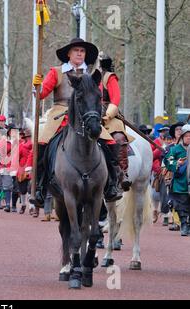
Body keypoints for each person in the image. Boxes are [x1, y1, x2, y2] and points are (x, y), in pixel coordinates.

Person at [32, 38, 120, 206]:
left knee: (109, 142)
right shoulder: (56, 72)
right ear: (69, 54)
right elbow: (41, 95)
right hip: (60, 114)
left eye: (83, 51)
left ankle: (111, 185)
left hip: (85, 115)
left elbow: (97, 95)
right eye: (76, 50)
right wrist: (37, 87)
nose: (80, 53)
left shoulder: (92, 74)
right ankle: (40, 186)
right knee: (42, 142)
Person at [99, 52, 135, 192]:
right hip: (87, 112)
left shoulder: (109, 77)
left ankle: (122, 174)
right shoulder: (83, 76)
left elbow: (115, 99)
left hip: (108, 113)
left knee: (118, 138)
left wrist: (107, 116)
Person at [164, 124, 190, 236]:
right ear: (182, 137)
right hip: (180, 182)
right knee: (181, 205)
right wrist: (176, 163)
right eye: (187, 136)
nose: (189, 138)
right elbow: (168, 161)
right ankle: (184, 225)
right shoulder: (175, 149)